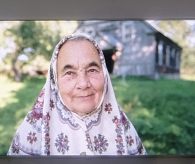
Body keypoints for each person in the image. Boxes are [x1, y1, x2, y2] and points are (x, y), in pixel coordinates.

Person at [8, 34, 146, 156]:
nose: (83, 84)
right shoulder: (32, 133)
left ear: (105, 76)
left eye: (92, 70)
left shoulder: (124, 130)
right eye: (69, 73)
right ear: (55, 82)